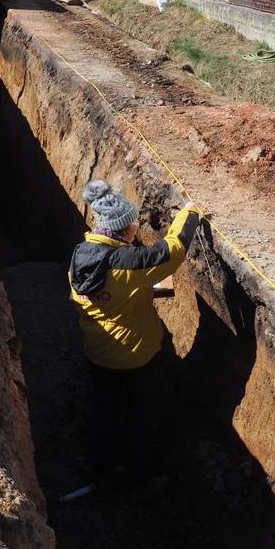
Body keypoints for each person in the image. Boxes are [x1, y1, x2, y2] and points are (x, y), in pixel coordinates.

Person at [68, 178, 201, 488]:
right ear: (124, 229)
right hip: (136, 359)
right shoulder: (126, 264)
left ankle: (102, 470)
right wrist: (189, 213)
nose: (137, 230)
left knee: (105, 414)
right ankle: (139, 476)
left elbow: (112, 293)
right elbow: (171, 251)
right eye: (134, 225)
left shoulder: (81, 254)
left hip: (98, 354)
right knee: (140, 418)